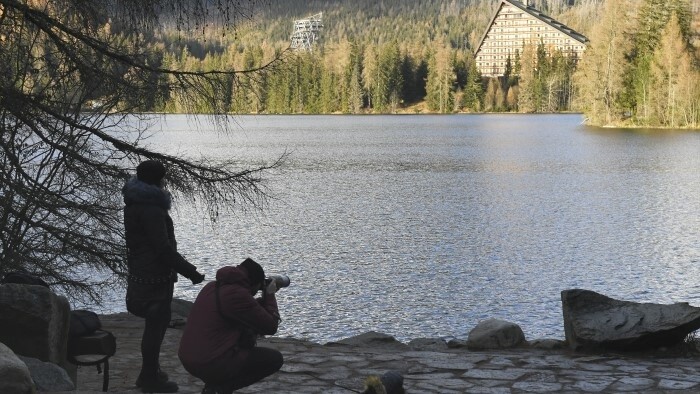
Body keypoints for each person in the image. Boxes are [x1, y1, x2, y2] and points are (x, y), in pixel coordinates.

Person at [122, 160, 206, 393]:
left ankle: (150, 372)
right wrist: (191, 272)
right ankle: (149, 377)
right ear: (158, 180)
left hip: (140, 271)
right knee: (155, 326)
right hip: (155, 276)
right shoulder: (152, 210)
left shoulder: (133, 203)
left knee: (154, 325)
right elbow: (163, 248)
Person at [178, 258, 283, 394]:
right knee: (274, 359)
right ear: (253, 283)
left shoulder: (212, 286)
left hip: (189, 357)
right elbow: (271, 327)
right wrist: (269, 296)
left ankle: (216, 385)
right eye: (258, 288)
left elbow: (245, 309)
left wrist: (262, 300)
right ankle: (218, 389)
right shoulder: (238, 295)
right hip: (209, 361)